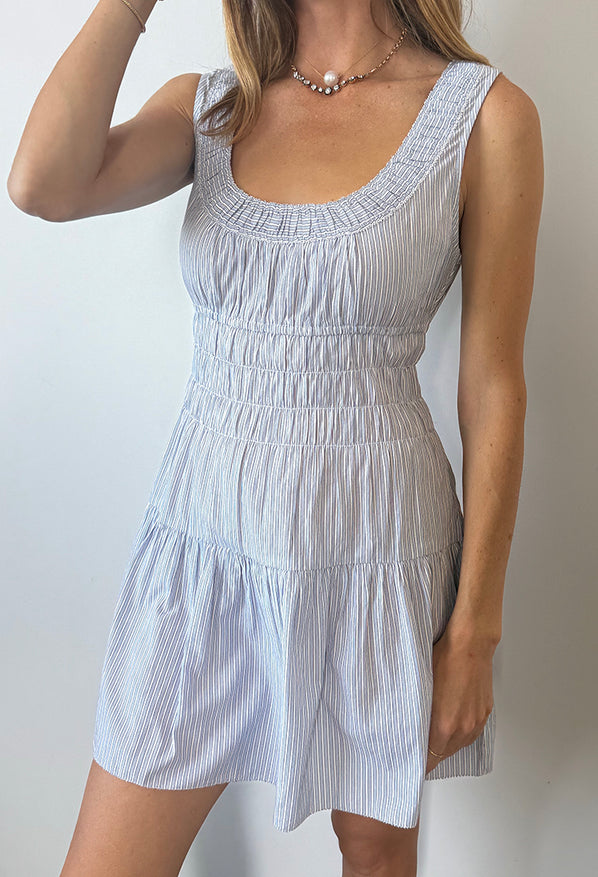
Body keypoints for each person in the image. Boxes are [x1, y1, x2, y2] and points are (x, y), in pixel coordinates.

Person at [7, 0, 543, 874]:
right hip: (204, 554)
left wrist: (474, 634)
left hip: (378, 554)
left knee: (374, 859)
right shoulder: (212, 109)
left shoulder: (485, 117)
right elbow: (42, 184)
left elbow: (494, 384)